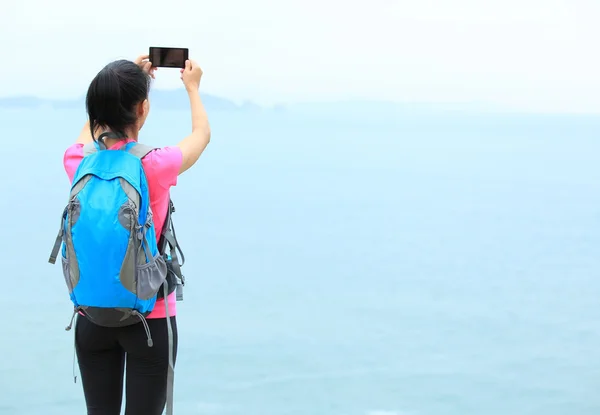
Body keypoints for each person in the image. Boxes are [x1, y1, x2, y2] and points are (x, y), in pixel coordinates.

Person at [61, 54, 211, 414]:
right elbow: (201, 136)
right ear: (142, 110)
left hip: (91, 317)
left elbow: (90, 130)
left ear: (95, 113)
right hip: (149, 318)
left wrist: (109, 96)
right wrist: (192, 88)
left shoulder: (78, 162)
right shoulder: (155, 165)